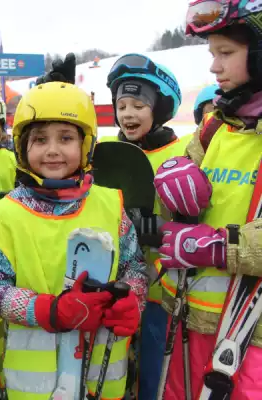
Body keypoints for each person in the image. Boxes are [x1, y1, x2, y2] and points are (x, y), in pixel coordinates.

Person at [0, 82, 148, 399]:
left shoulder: (111, 206)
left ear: (87, 145)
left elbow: (133, 267)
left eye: (66, 138)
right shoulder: (1, 217)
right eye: (40, 140)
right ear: (22, 146)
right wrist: (52, 311)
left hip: (101, 374)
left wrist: (131, 302)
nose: (52, 150)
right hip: (32, 384)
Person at [153, 2, 262, 398]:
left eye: (226, 53)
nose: (215, 68)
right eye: (212, 54)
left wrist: (218, 247)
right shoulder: (216, 125)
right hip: (191, 324)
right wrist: (169, 177)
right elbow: (175, 196)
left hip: (252, 339)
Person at [103, 54, 193, 399]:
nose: (127, 113)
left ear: (159, 109)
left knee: (155, 376)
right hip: (116, 286)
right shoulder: (107, 153)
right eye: (121, 104)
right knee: (112, 373)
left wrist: (154, 228)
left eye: (138, 104)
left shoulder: (185, 152)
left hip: (161, 295)